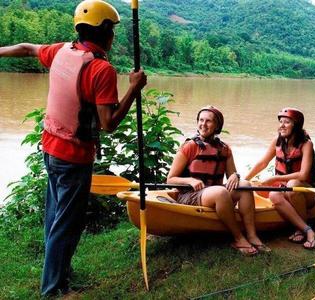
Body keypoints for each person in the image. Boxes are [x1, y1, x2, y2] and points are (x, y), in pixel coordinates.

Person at [0, 0, 147, 296]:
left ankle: (58, 275)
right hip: (73, 156)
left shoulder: (62, 52)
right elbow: (109, 123)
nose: (114, 35)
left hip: (50, 149)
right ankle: (54, 289)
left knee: (56, 217)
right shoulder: (101, 69)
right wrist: (133, 88)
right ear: (104, 31)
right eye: (112, 29)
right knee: (66, 224)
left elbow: (28, 48)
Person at [167, 105, 270, 256]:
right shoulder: (189, 146)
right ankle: (238, 238)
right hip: (190, 196)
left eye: (209, 121)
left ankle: (252, 235)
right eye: (201, 120)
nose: (203, 124)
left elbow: (232, 175)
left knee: (245, 186)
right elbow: (170, 179)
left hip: (214, 193)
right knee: (221, 192)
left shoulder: (224, 149)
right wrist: (189, 180)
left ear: (217, 126)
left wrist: (235, 175)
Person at [244, 108, 315, 250]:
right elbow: (262, 163)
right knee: (273, 194)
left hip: (307, 191)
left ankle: (300, 230)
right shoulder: (277, 141)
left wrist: (275, 178)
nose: (282, 125)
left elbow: (303, 175)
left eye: (287, 122)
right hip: (285, 189)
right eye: (280, 122)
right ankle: (308, 230)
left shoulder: (306, 144)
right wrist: (244, 179)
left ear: (296, 125)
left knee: (293, 185)